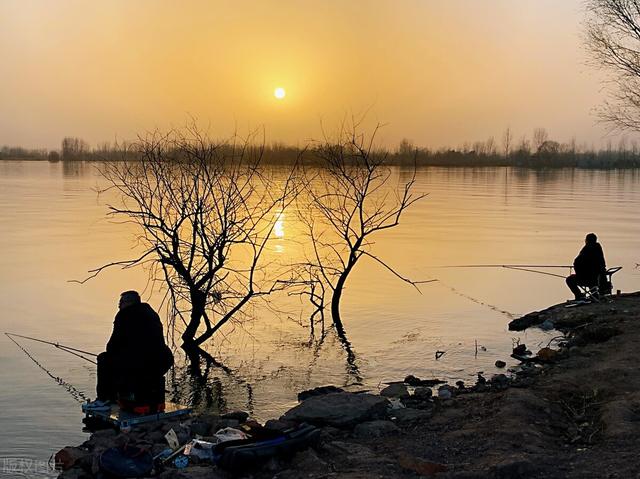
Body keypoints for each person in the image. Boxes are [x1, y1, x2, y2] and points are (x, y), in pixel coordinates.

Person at [84, 291, 174, 411]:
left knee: (104, 358)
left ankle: (104, 399)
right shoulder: (151, 312)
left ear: (129, 303)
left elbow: (112, 346)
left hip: (143, 365)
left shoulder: (124, 315)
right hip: (163, 362)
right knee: (124, 360)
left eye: (121, 302)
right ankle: (121, 395)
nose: (119, 305)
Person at [566, 233, 607, 301]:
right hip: (599, 278)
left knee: (569, 279)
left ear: (587, 240)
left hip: (589, 279)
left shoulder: (587, 249)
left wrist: (578, 272)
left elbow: (577, 262)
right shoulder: (598, 247)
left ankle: (579, 295)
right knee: (592, 276)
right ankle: (594, 295)